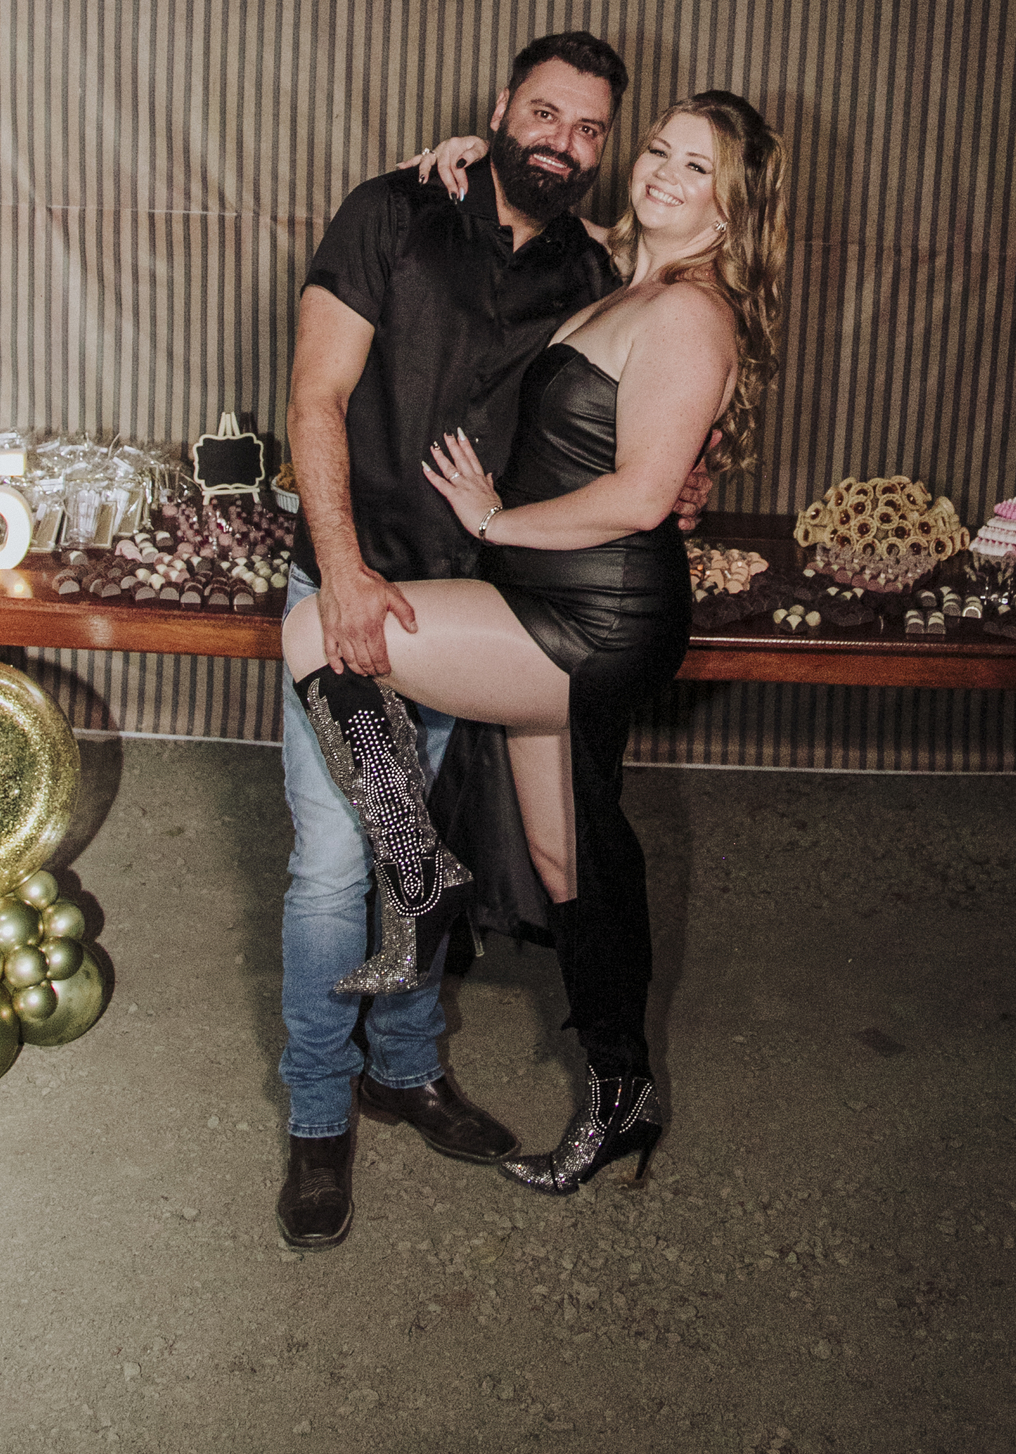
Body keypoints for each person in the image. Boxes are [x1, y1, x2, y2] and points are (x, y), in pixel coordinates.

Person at [283, 89, 787, 1198]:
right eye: (657, 149)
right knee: (570, 863)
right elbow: (539, 197)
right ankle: (622, 1093)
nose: (662, 173)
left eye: (696, 169)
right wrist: (475, 155)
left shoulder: (689, 311)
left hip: (590, 617)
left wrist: (495, 522)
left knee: (321, 627)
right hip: (560, 603)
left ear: (732, 207)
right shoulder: (630, 270)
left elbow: (643, 496)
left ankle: (419, 874)